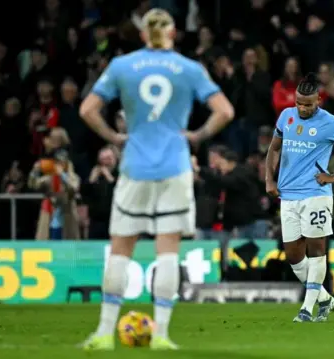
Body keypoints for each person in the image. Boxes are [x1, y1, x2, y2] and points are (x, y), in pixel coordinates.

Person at [78, 9, 234, 350]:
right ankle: (161, 335)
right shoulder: (190, 69)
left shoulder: (122, 66)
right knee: (168, 253)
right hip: (175, 168)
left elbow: (87, 109)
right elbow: (225, 110)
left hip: (135, 166)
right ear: (173, 33)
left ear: (143, 34)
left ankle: (105, 333)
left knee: (120, 250)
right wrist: (197, 135)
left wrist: (113, 137)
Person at [265, 73, 334, 322]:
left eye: (308, 104)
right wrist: (270, 179)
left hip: (316, 194)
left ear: (318, 100)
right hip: (288, 195)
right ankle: (326, 299)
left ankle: (306, 308)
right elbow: (274, 148)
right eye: (299, 102)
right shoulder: (286, 116)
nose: (302, 108)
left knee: (317, 250)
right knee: (292, 255)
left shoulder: (331, 123)